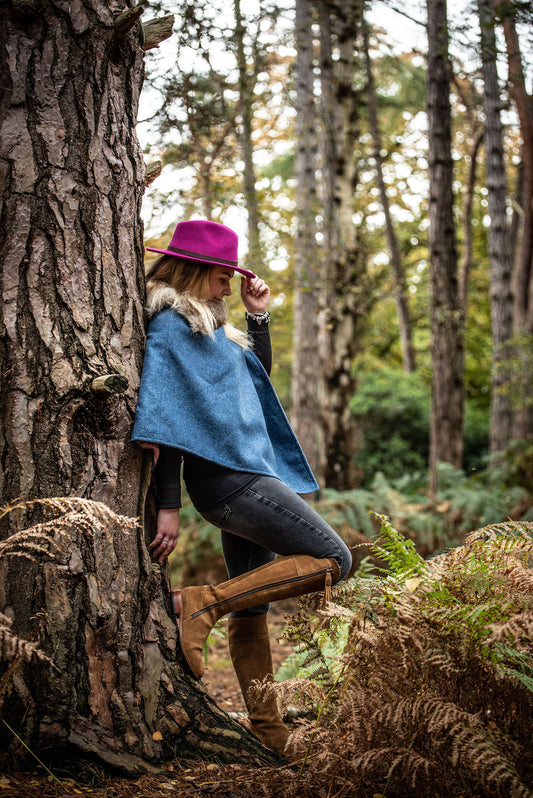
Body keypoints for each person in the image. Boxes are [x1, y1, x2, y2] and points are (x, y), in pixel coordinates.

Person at [132, 219, 352, 758]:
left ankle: (267, 730)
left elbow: (256, 383)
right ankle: (203, 604)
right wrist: (168, 506)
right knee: (335, 559)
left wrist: (259, 318)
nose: (231, 286)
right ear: (197, 270)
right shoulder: (171, 327)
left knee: (252, 609)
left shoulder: (211, 329)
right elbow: (164, 421)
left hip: (247, 474)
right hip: (235, 482)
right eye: (224, 276)